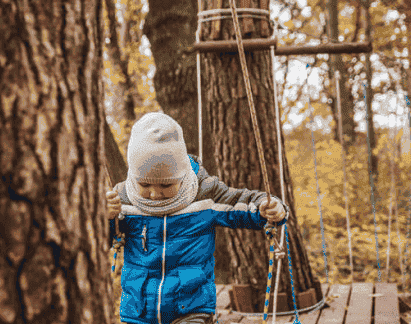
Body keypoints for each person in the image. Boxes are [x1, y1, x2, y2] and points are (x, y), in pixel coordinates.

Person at [107, 112, 289, 324]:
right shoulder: (122, 200)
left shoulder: (203, 195)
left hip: (191, 306)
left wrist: (267, 207)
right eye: (144, 185)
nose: (155, 194)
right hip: (139, 309)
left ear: (182, 174)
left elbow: (241, 201)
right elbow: (102, 240)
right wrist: (105, 218)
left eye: (166, 185)